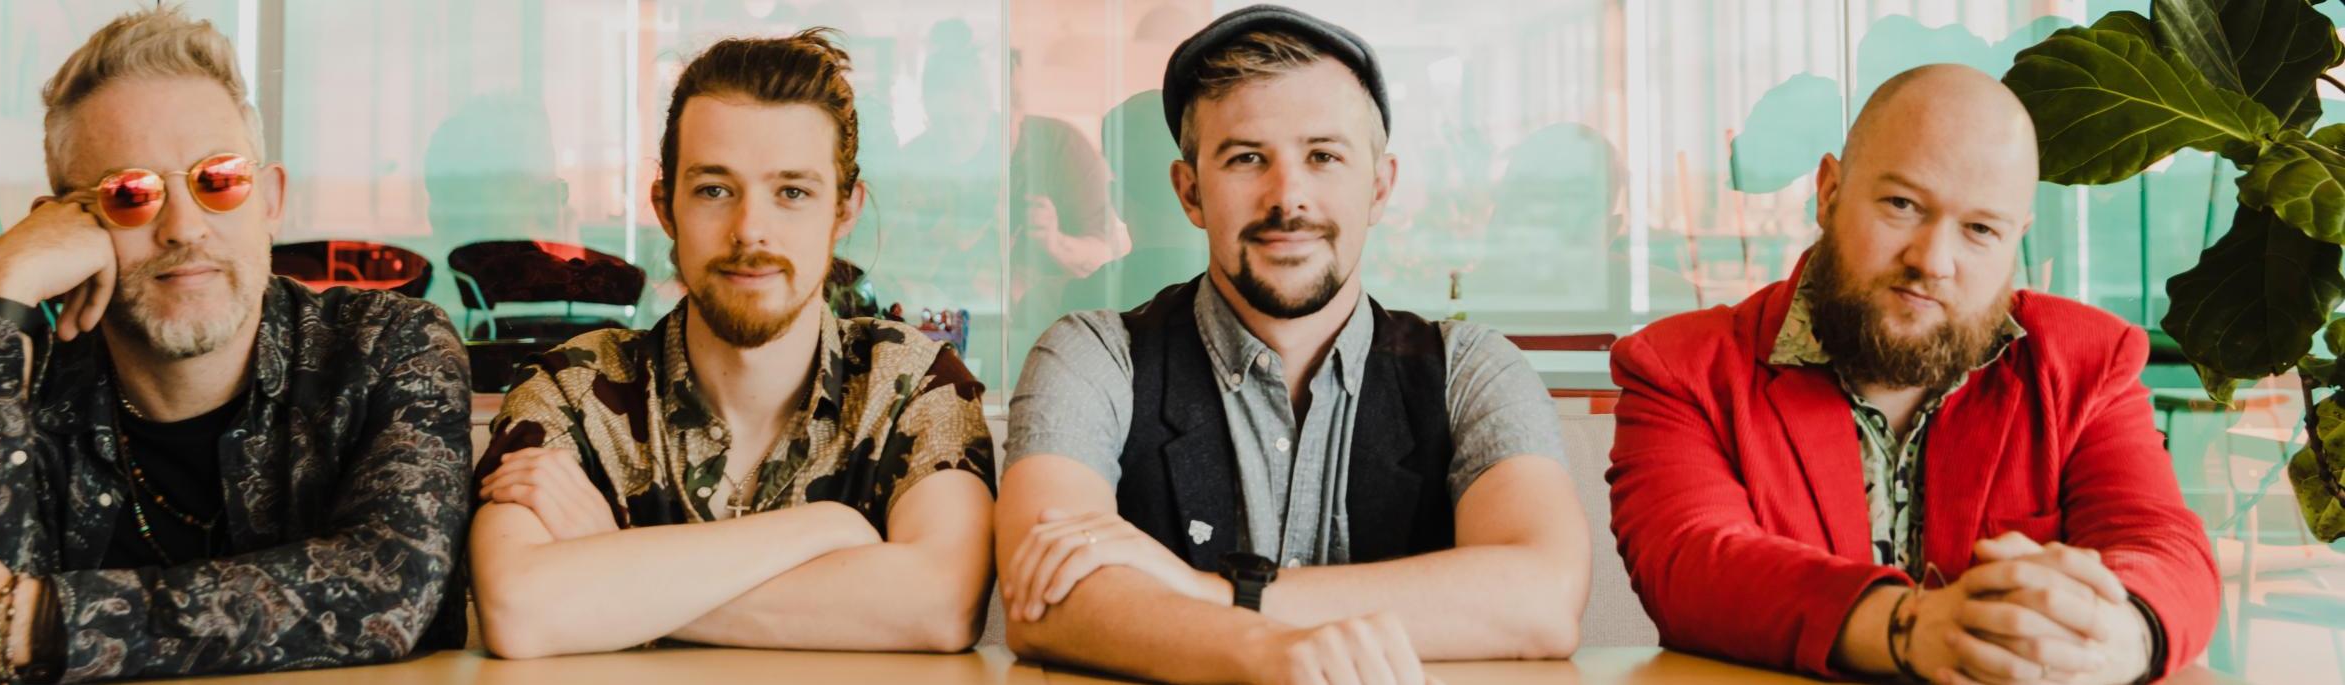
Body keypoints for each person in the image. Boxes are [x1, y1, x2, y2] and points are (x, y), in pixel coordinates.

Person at [0, 7, 473, 683]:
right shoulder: (23, 386)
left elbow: (389, 589)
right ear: (62, 226)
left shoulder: (386, 345)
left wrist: (33, 620)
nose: (184, 227)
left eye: (219, 180)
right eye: (129, 193)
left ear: (269, 201)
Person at [998, 5, 1588, 683]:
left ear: (1379, 186)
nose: (1289, 198)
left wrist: (1216, 596)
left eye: (1323, 156)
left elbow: (1542, 595)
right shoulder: (1092, 356)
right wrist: (1261, 649)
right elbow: (1041, 596)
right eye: (1248, 158)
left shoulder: (1473, 370)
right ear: (1190, 192)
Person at [1605, 64, 2217, 684]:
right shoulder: (1680, 368)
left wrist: (2121, 635)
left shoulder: (2088, 360)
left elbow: (2162, 545)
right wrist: (1910, 628)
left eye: (1980, 229)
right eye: (1902, 204)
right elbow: (1691, 564)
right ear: (1829, 192)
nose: (1933, 260)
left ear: (2016, 240)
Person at [467, 28, 997, 658]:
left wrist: (619, 570)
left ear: (844, 210)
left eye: (792, 193)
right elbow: (519, 609)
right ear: (665, 206)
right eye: (714, 189)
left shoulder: (913, 384)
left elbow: (942, 606)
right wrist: (828, 529)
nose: (751, 229)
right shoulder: (571, 387)